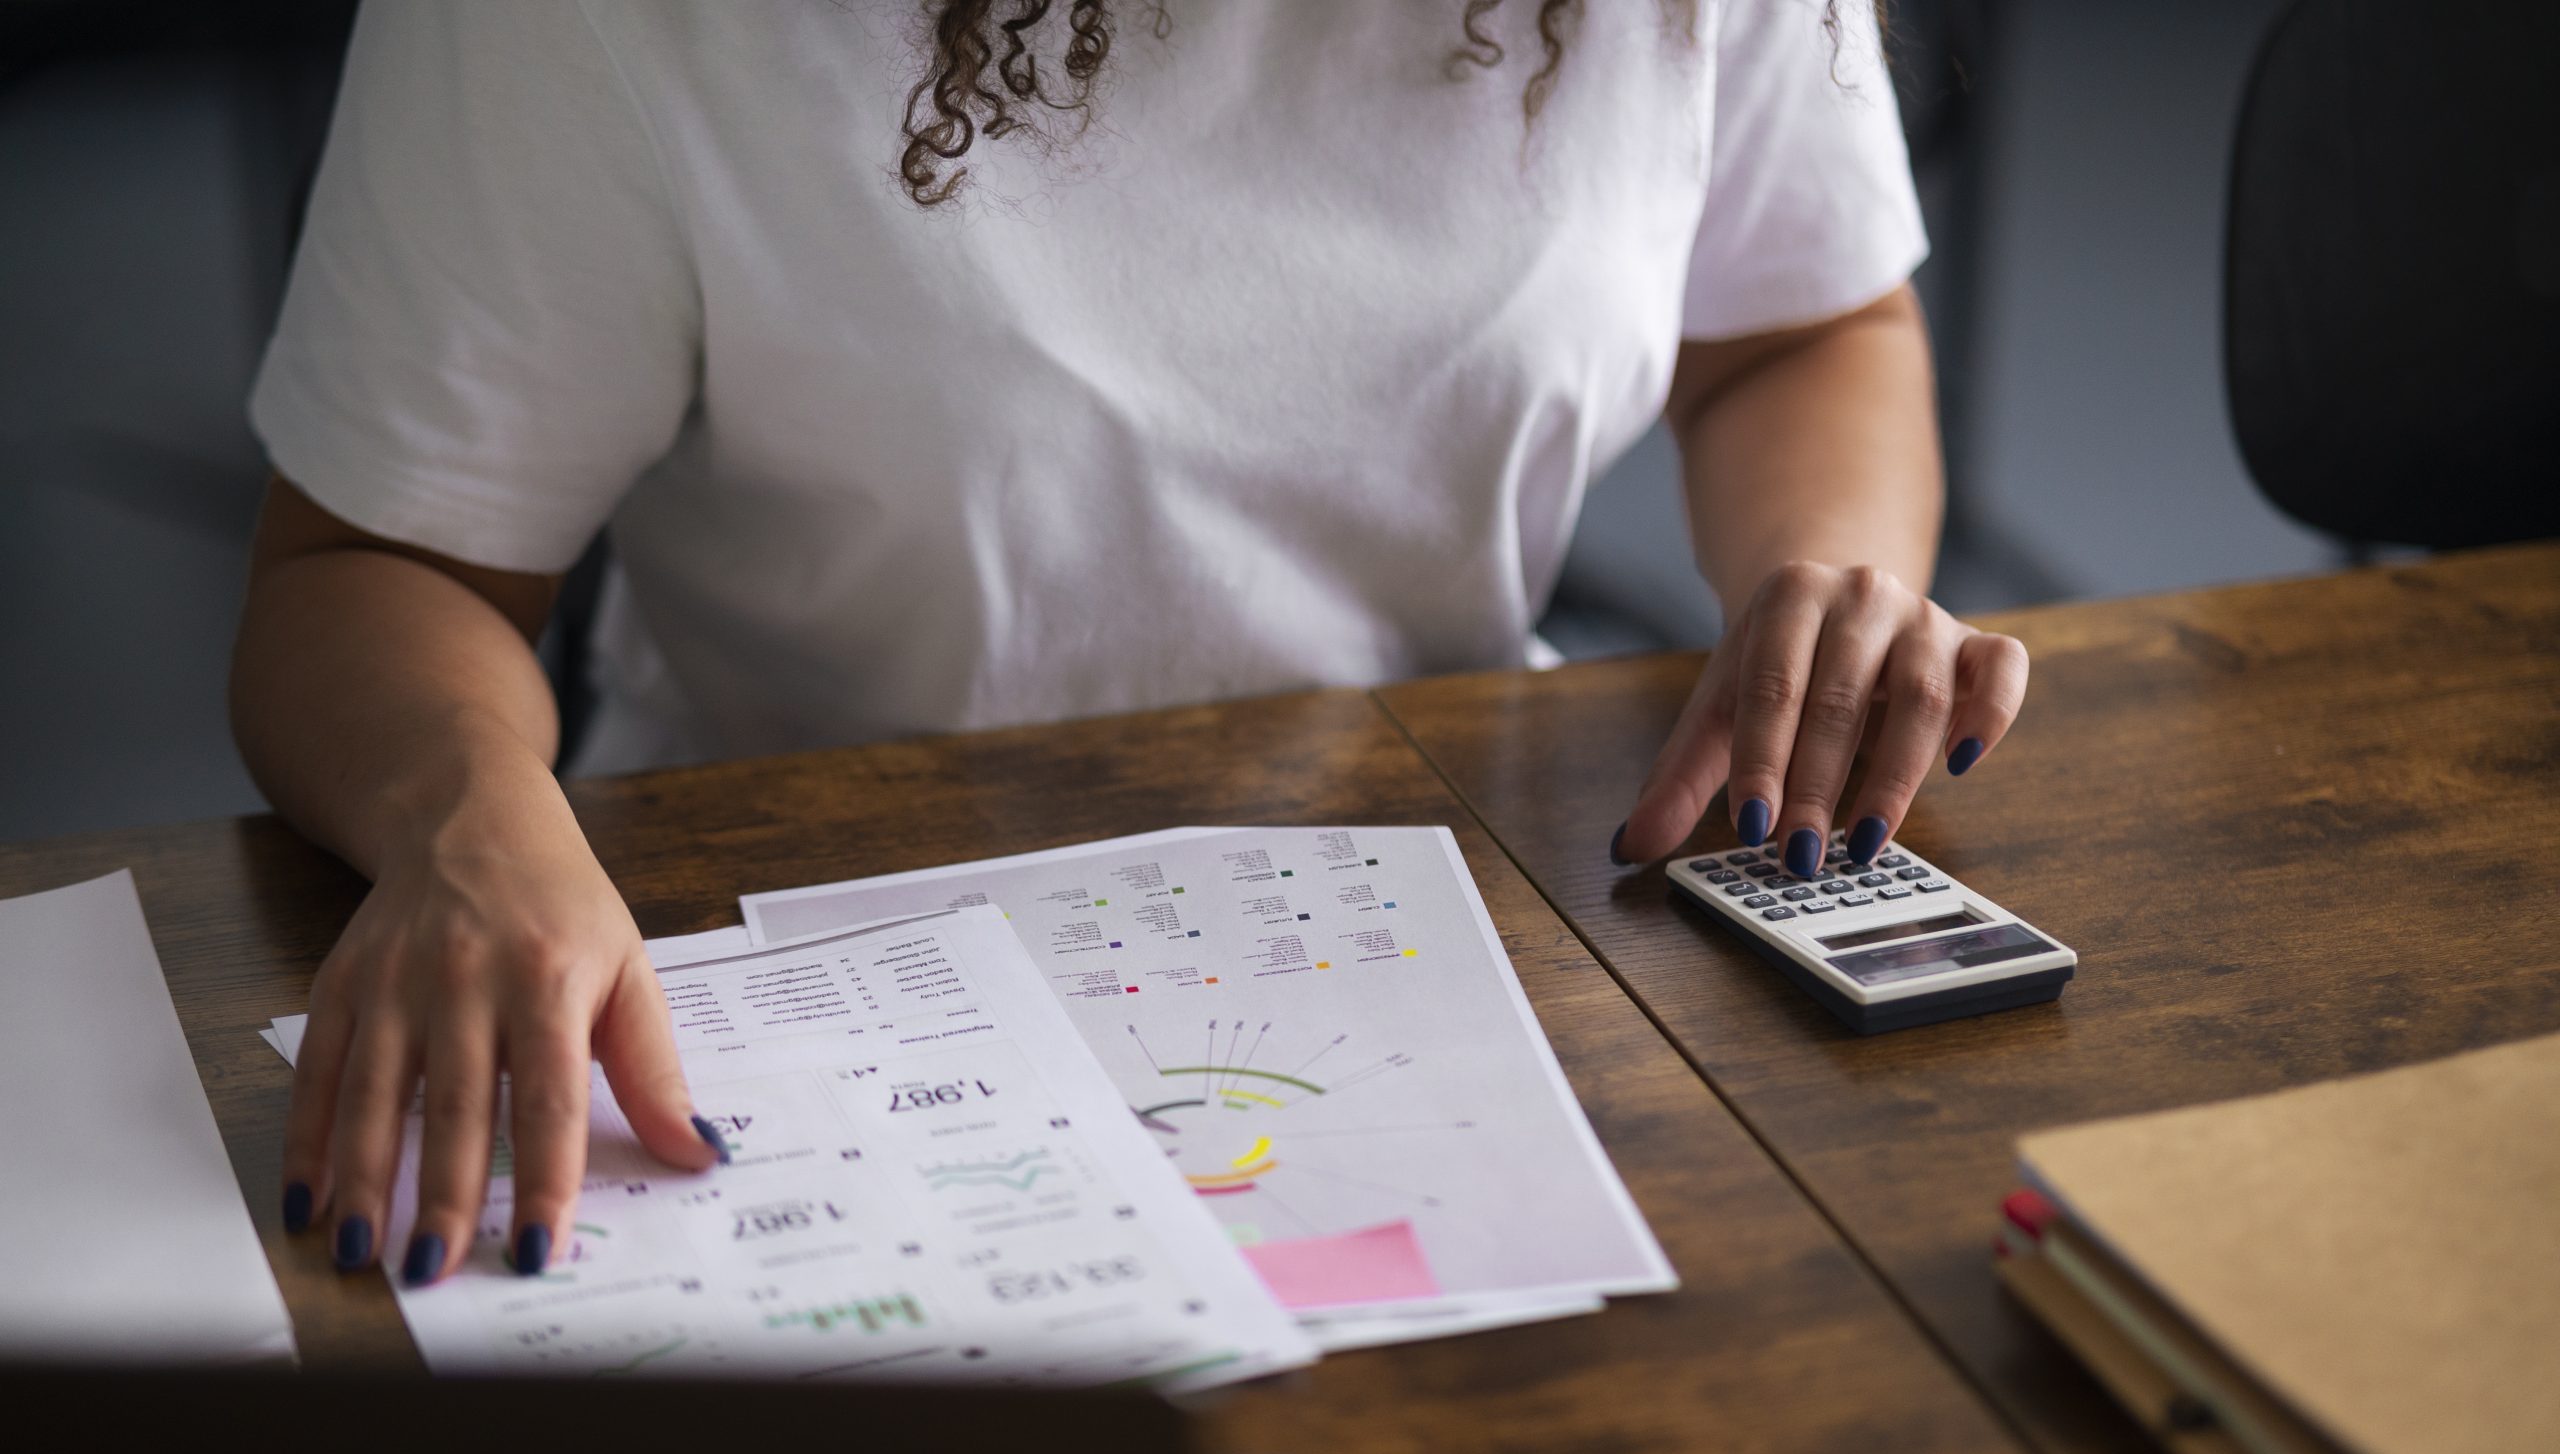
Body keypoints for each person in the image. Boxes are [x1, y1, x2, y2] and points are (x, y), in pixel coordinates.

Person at [233, 0, 2027, 1288]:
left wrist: (1828, 576)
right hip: (784, 962)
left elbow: (1804, 327)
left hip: (1453, 925)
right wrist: (471, 816)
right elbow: (368, 570)